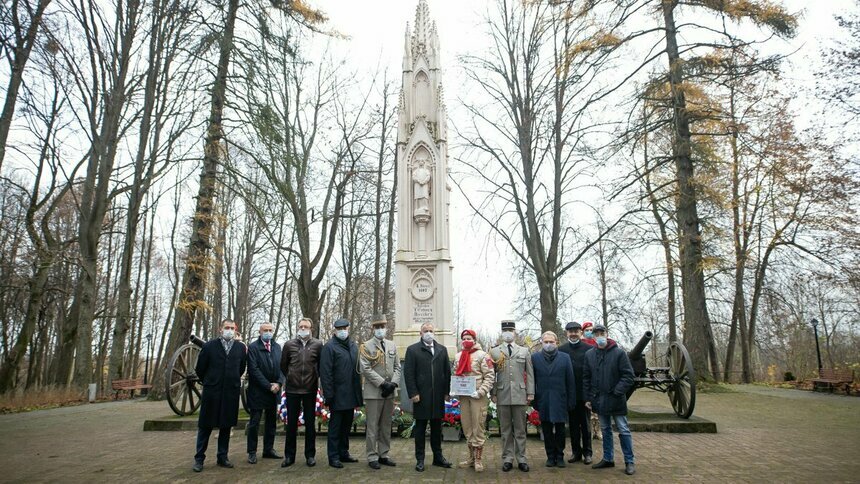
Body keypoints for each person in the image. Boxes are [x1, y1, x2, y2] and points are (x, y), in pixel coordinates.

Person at [192, 319, 248, 472]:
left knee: (226, 425)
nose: (229, 330)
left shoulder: (240, 348)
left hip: (230, 391)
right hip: (212, 391)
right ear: (220, 329)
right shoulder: (209, 346)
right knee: (205, 426)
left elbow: (241, 367)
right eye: (226, 327)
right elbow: (200, 368)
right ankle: (199, 459)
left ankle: (222, 457)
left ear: (235, 330)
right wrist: (210, 381)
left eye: (232, 328)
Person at [583, 324, 636, 476]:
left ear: (606, 334)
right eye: (596, 334)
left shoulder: (619, 353)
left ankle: (629, 461)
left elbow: (628, 376)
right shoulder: (589, 355)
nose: (599, 336)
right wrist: (588, 397)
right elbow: (586, 377)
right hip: (599, 400)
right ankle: (608, 458)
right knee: (605, 429)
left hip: (616, 399)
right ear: (593, 337)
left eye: (602, 333)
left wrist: (617, 391)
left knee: (623, 430)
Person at [403, 322, 453, 472]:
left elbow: (447, 373)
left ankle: (438, 457)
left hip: (437, 396)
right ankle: (420, 459)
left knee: (437, 429)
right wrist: (413, 393)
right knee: (420, 429)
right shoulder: (412, 350)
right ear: (421, 333)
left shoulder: (442, 350)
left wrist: (446, 392)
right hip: (421, 397)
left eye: (431, 330)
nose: (429, 333)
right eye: (426, 331)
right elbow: (409, 374)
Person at [488, 320, 534, 473]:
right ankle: (507, 458)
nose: (508, 333)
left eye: (510, 330)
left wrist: (530, 392)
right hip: (502, 394)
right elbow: (491, 375)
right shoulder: (494, 352)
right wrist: (493, 393)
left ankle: (522, 458)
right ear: (502, 333)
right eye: (505, 330)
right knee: (506, 429)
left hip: (520, 394)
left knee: (520, 430)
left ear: (515, 332)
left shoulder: (524, 351)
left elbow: (530, 374)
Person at [359, 314, 401, 470]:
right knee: (372, 425)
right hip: (374, 392)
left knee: (385, 424)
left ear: (386, 327)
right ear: (373, 329)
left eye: (382, 326)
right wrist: (382, 383)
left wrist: (393, 383)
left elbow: (398, 367)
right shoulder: (366, 346)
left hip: (389, 391)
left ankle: (384, 454)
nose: (380, 329)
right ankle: (372, 456)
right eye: (377, 327)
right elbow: (365, 368)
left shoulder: (392, 345)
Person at [280, 317, 323, 468]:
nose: (303, 328)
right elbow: (283, 366)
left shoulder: (318, 345)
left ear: (311, 329)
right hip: (292, 390)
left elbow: (320, 366)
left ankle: (310, 455)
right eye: (301, 326)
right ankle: (289, 456)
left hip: (310, 390)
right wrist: (291, 377)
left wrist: (314, 380)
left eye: (306, 326)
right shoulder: (289, 345)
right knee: (291, 424)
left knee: (310, 424)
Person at [319, 318, 363, 468]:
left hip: (351, 394)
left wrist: (358, 395)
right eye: (340, 328)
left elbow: (357, 371)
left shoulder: (353, 346)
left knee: (346, 426)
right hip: (337, 395)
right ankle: (333, 456)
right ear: (335, 330)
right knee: (335, 427)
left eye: (345, 328)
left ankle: (344, 453)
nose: (343, 331)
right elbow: (325, 373)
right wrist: (329, 395)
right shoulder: (329, 347)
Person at [531, 331, 576, 468]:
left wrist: (571, 400)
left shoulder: (565, 357)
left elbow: (570, 380)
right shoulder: (535, 358)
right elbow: (532, 380)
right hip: (543, 399)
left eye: (551, 342)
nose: (549, 344)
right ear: (542, 342)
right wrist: (534, 400)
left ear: (556, 342)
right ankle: (550, 456)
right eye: (546, 342)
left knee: (561, 430)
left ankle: (560, 455)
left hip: (560, 399)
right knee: (547, 429)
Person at [453, 329, 494, 472]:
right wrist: (455, 388)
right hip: (464, 397)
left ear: (475, 340)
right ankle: (470, 457)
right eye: (464, 338)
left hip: (478, 397)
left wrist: (481, 391)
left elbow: (489, 376)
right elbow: (455, 373)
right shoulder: (458, 356)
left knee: (478, 426)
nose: (466, 340)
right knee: (467, 426)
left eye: (469, 337)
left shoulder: (483, 356)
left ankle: (478, 459)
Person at [246, 322, 285, 464]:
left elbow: (282, 367)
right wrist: (268, 385)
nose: (268, 332)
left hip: (274, 391)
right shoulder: (253, 348)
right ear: (260, 331)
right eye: (265, 330)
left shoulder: (277, 347)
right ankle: (252, 452)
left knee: (271, 423)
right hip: (258, 391)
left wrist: (279, 383)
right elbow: (254, 370)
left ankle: (268, 449)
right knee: (254, 423)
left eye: (270, 330)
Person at [559, 321, 593, 465]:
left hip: (584, 394)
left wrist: (590, 395)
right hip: (569, 394)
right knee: (572, 426)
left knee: (585, 425)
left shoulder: (589, 349)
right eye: (570, 331)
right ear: (567, 333)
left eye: (576, 331)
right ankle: (576, 452)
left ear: (581, 332)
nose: (573, 333)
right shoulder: (561, 350)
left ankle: (588, 453)